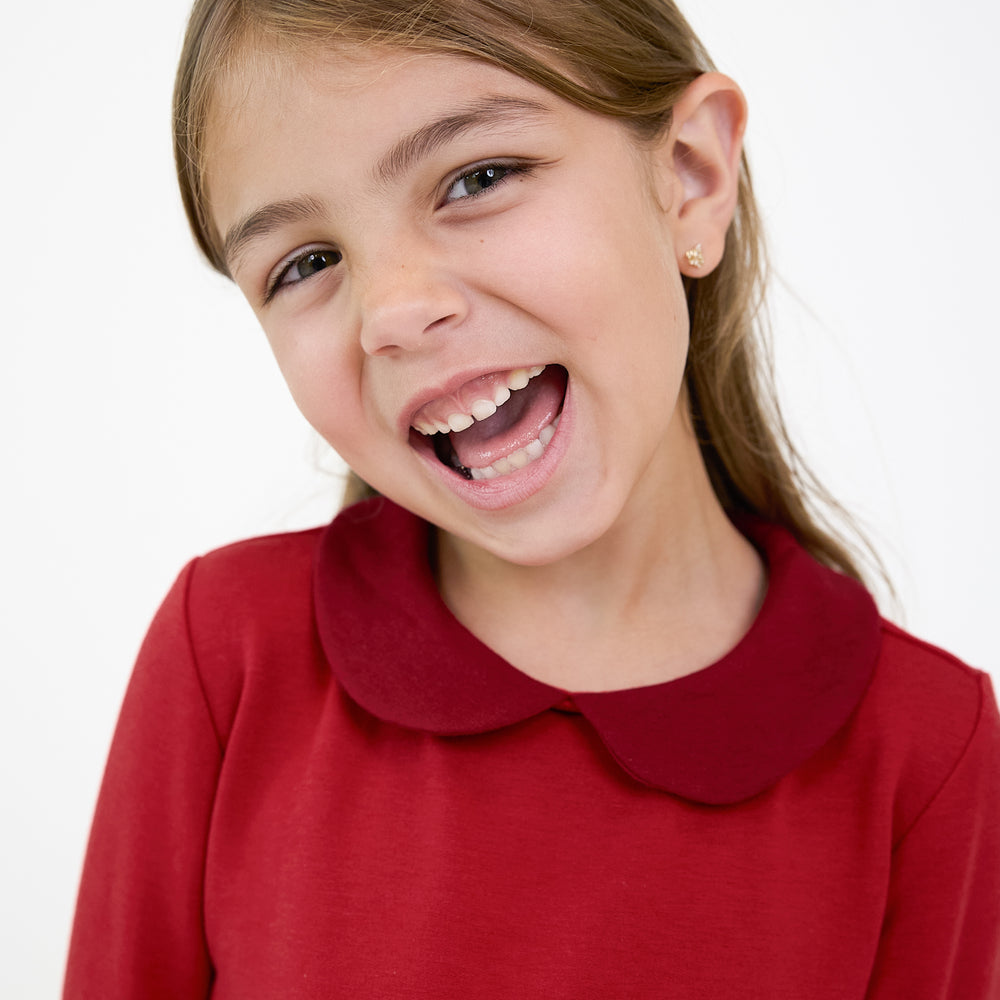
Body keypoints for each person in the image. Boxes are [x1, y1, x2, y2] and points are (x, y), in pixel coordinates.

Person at [63, 0, 1000, 996]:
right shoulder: (227, 656)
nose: (394, 309)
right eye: (307, 262)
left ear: (690, 176)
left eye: (477, 178)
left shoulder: (928, 752)